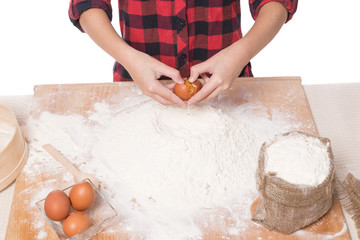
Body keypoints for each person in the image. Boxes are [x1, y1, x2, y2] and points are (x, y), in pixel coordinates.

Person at [69, 0, 297, 108]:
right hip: (139, 92)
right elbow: (86, 5)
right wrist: (129, 58)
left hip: (230, 92)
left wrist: (241, 53)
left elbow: (276, 3)